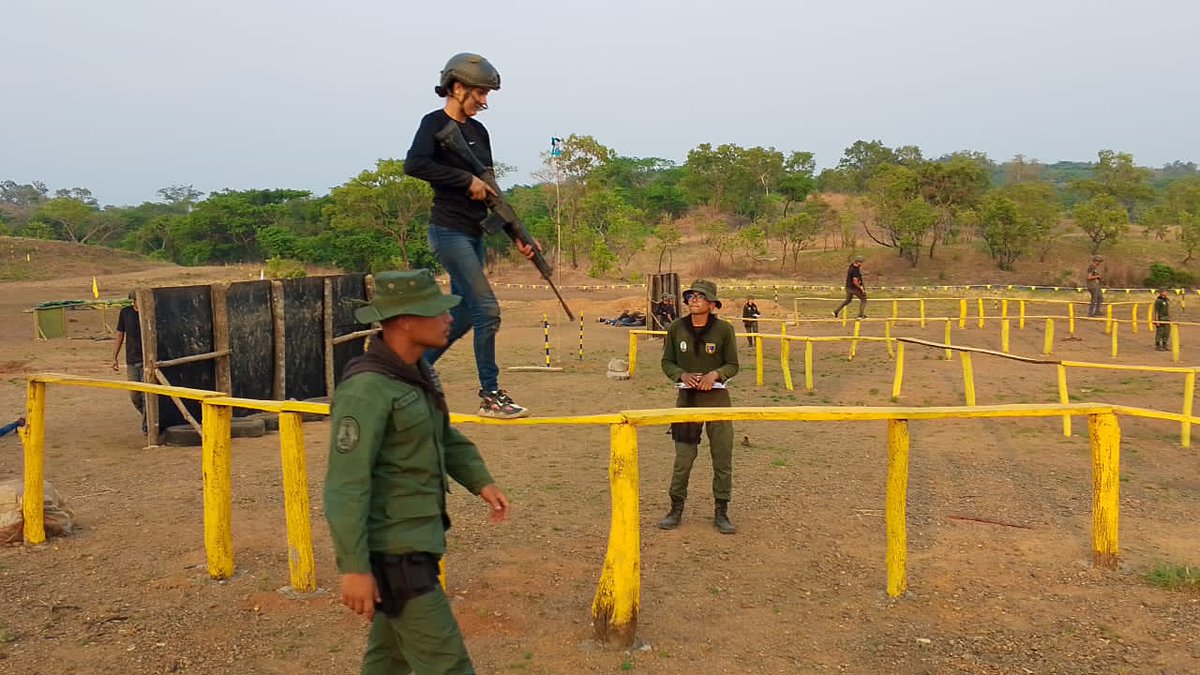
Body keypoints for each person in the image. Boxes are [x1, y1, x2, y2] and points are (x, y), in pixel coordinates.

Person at [324, 269, 511, 675]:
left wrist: (481, 481)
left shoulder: (416, 374)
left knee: (388, 661)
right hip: (396, 554)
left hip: (418, 543)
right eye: (438, 313)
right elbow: (345, 486)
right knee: (448, 665)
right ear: (406, 321)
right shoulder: (367, 388)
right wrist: (354, 568)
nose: (448, 320)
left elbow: (444, 436)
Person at [404, 52, 537, 419]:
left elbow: (491, 189)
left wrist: (519, 236)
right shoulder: (432, 124)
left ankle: (414, 367)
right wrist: (465, 180)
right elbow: (414, 164)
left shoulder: (479, 132)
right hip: (447, 232)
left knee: (462, 315)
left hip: (474, 233)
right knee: (487, 310)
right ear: (457, 87)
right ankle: (490, 396)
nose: (484, 100)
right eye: (479, 92)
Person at [658, 279, 740, 535]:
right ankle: (675, 508)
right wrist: (681, 375)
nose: (693, 300)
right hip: (687, 403)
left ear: (713, 304)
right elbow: (667, 362)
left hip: (717, 403)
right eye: (691, 296)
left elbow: (733, 365)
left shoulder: (724, 330)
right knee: (683, 458)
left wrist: (714, 375)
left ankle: (721, 511)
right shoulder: (676, 328)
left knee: (722, 457)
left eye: (700, 296)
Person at [111, 291, 144, 420]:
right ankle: (147, 418)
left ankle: (148, 425)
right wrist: (114, 356)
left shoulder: (149, 313)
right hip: (132, 359)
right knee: (135, 395)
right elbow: (120, 334)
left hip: (148, 359)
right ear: (133, 300)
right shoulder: (126, 313)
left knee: (149, 395)